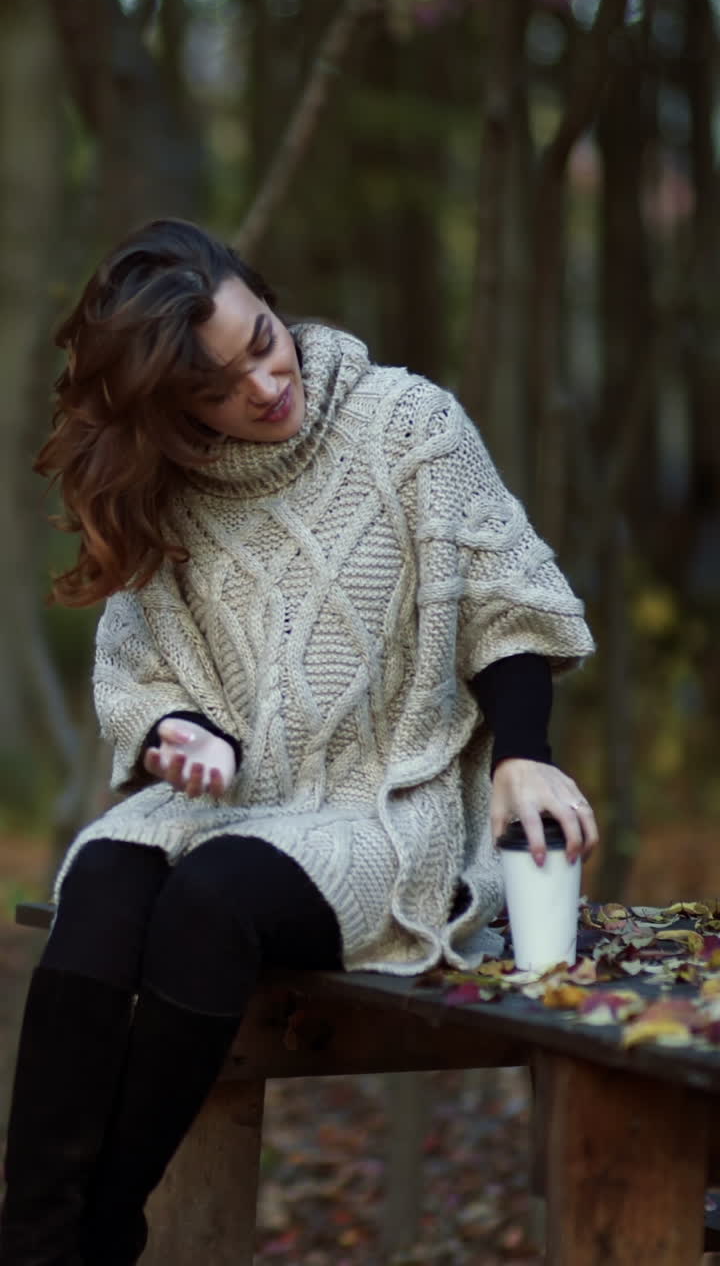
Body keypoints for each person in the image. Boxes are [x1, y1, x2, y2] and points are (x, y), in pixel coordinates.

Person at [0, 217, 597, 1265]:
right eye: (221, 387)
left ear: (270, 299)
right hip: (224, 800)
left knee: (211, 899)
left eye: (263, 339)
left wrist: (522, 750)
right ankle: (33, 1232)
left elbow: (508, 604)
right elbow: (140, 672)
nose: (266, 385)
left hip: (383, 804)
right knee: (99, 883)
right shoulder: (170, 489)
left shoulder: (408, 424)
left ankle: (97, 1228)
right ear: (174, 412)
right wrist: (177, 733)